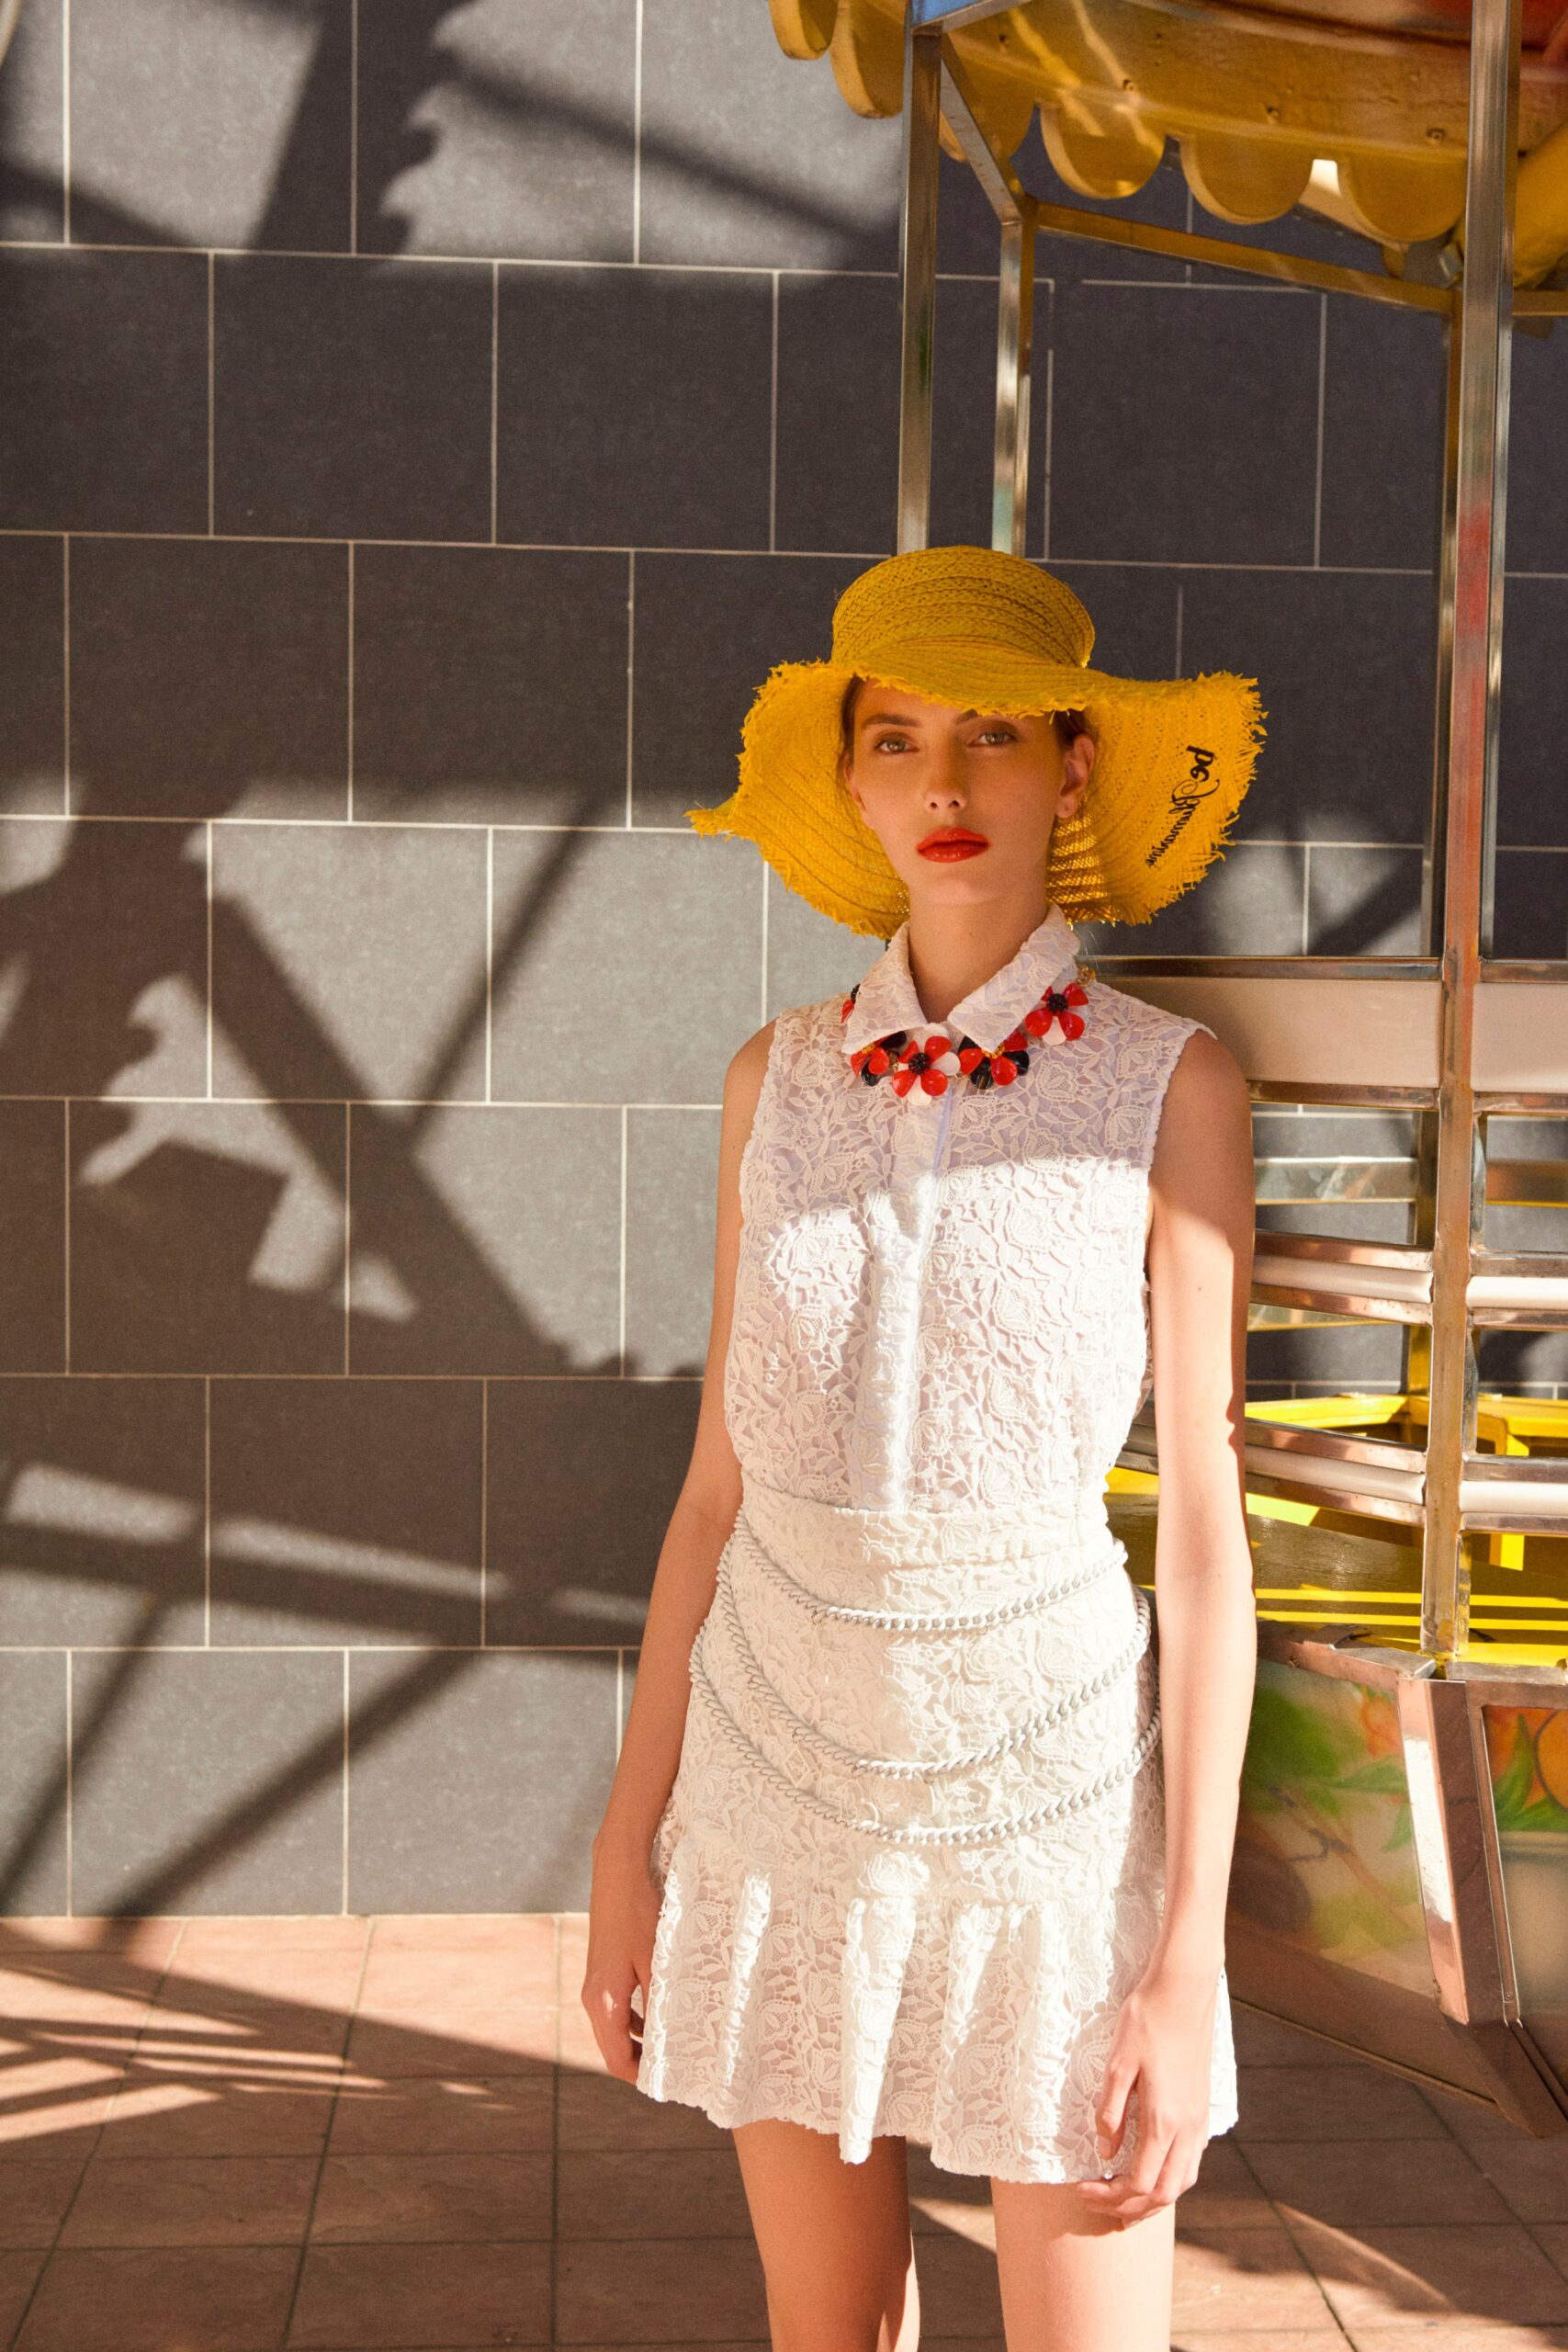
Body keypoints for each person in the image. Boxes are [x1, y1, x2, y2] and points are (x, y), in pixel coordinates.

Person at [582, 545, 1262, 2352]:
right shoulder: (771, 1077)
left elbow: (1199, 1541)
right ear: (854, 776)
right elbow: (712, 1491)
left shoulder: (1164, 1085)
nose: (943, 785)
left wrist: (1187, 1955)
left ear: (1074, 763)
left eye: (989, 736)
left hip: (1040, 1807)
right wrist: (622, 1842)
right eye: (896, 739)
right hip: (769, 1781)